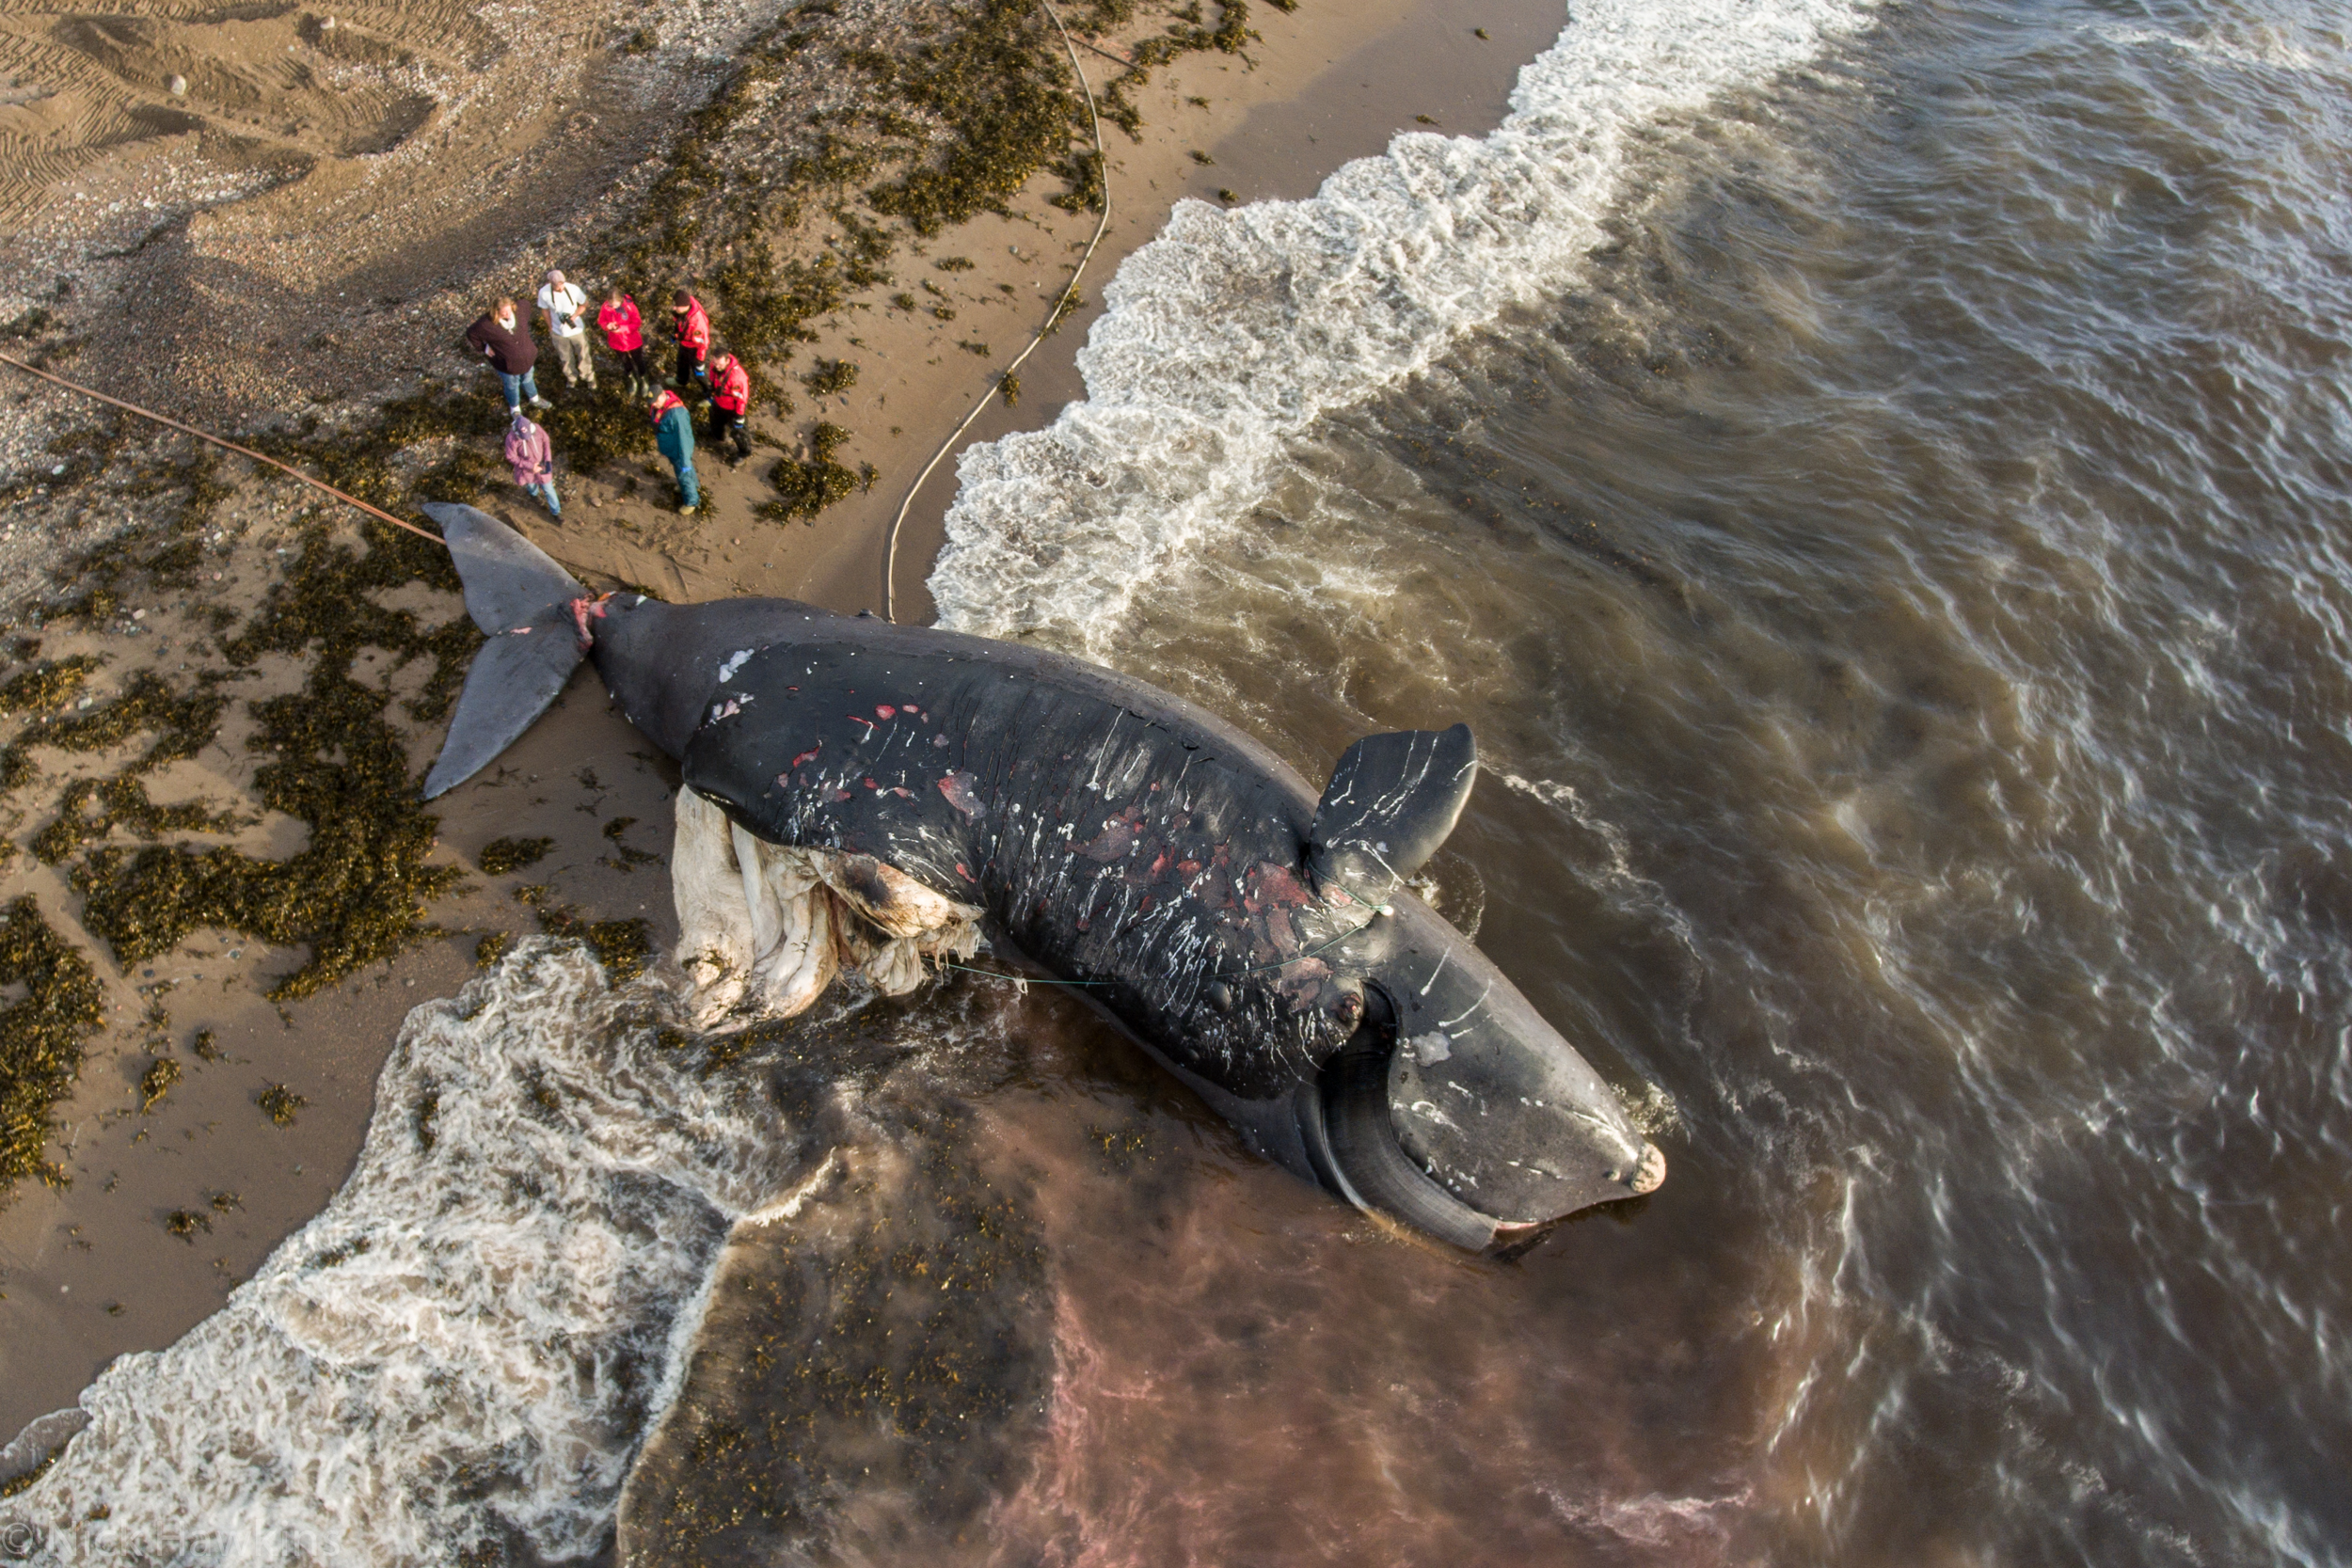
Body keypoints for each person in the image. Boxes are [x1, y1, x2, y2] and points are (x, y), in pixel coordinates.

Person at [465, 297, 548, 414]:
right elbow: (471, 333)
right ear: (496, 312)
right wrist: (484, 348)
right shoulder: (486, 324)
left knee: (528, 378)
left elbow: (525, 302)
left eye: (509, 310)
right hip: (507, 365)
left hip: (528, 359)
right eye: (504, 313)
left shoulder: (519, 311)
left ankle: (534, 399)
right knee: (511, 386)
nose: (508, 314)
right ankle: (515, 409)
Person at [536, 269, 595, 389]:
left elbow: (585, 303)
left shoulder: (573, 289)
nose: (560, 288)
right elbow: (545, 310)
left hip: (576, 330)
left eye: (562, 284)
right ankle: (571, 378)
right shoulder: (544, 293)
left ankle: (588, 376)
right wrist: (550, 327)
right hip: (558, 332)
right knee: (565, 358)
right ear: (551, 284)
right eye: (557, 286)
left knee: (583, 354)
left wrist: (575, 316)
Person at [651, 386, 697, 515]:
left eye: (655, 401)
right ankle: (693, 485)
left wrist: (685, 461)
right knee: (681, 472)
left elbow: (684, 439)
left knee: (684, 473)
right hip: (671, 449)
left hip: (679, 450)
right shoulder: (661, 406)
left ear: (662, 396)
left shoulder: (677, 415)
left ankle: (691, 501)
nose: (653, 405)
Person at [597, 288, 651, 399]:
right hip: (616, 342)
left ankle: (644, 379)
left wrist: (622, 329)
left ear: (621, 300)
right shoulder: (605, 307)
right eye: (611, 305)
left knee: (639, 361)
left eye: (615, 305)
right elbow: (601, 320)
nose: (612, 307)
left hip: (632, 341)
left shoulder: (630, 308)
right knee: (625, 362)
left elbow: (637, 323)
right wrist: (607, 326)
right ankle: (632, 379)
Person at [504, 411, 560, 517]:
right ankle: (534, 496)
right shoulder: (511, 439)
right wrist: (530, 466)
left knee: (549, 490)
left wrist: (548, 460)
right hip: (525, 469)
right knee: (530, 484)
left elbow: (546, 441)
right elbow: (511, 456)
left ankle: (556, 512)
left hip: (542, 465)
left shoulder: (537, 428)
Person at [704, 348, 753, 464]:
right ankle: (718, 437)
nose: (717, 366)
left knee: (739, 433)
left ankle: (744, 452)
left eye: (720, 364)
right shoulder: (714, 365)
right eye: (715, 363)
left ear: (727, 361)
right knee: (715, 421)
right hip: (718, 402)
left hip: (733, 409)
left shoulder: (737, 378)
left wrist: (739, 417)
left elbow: (741, 399)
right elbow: (712, 376)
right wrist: (711, 389)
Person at [669, 289, 710, 388]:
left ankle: (709, 393)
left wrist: (699, 360)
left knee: (699, 373)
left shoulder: (697, 323)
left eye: (676, 306)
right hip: (684, 344)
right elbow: (680, 323)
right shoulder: (684, 309)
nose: (674, 308)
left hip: (694, 349)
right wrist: (676, 334)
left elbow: (703, 343)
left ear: (684, 307)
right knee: (681, 362)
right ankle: (681, 381)